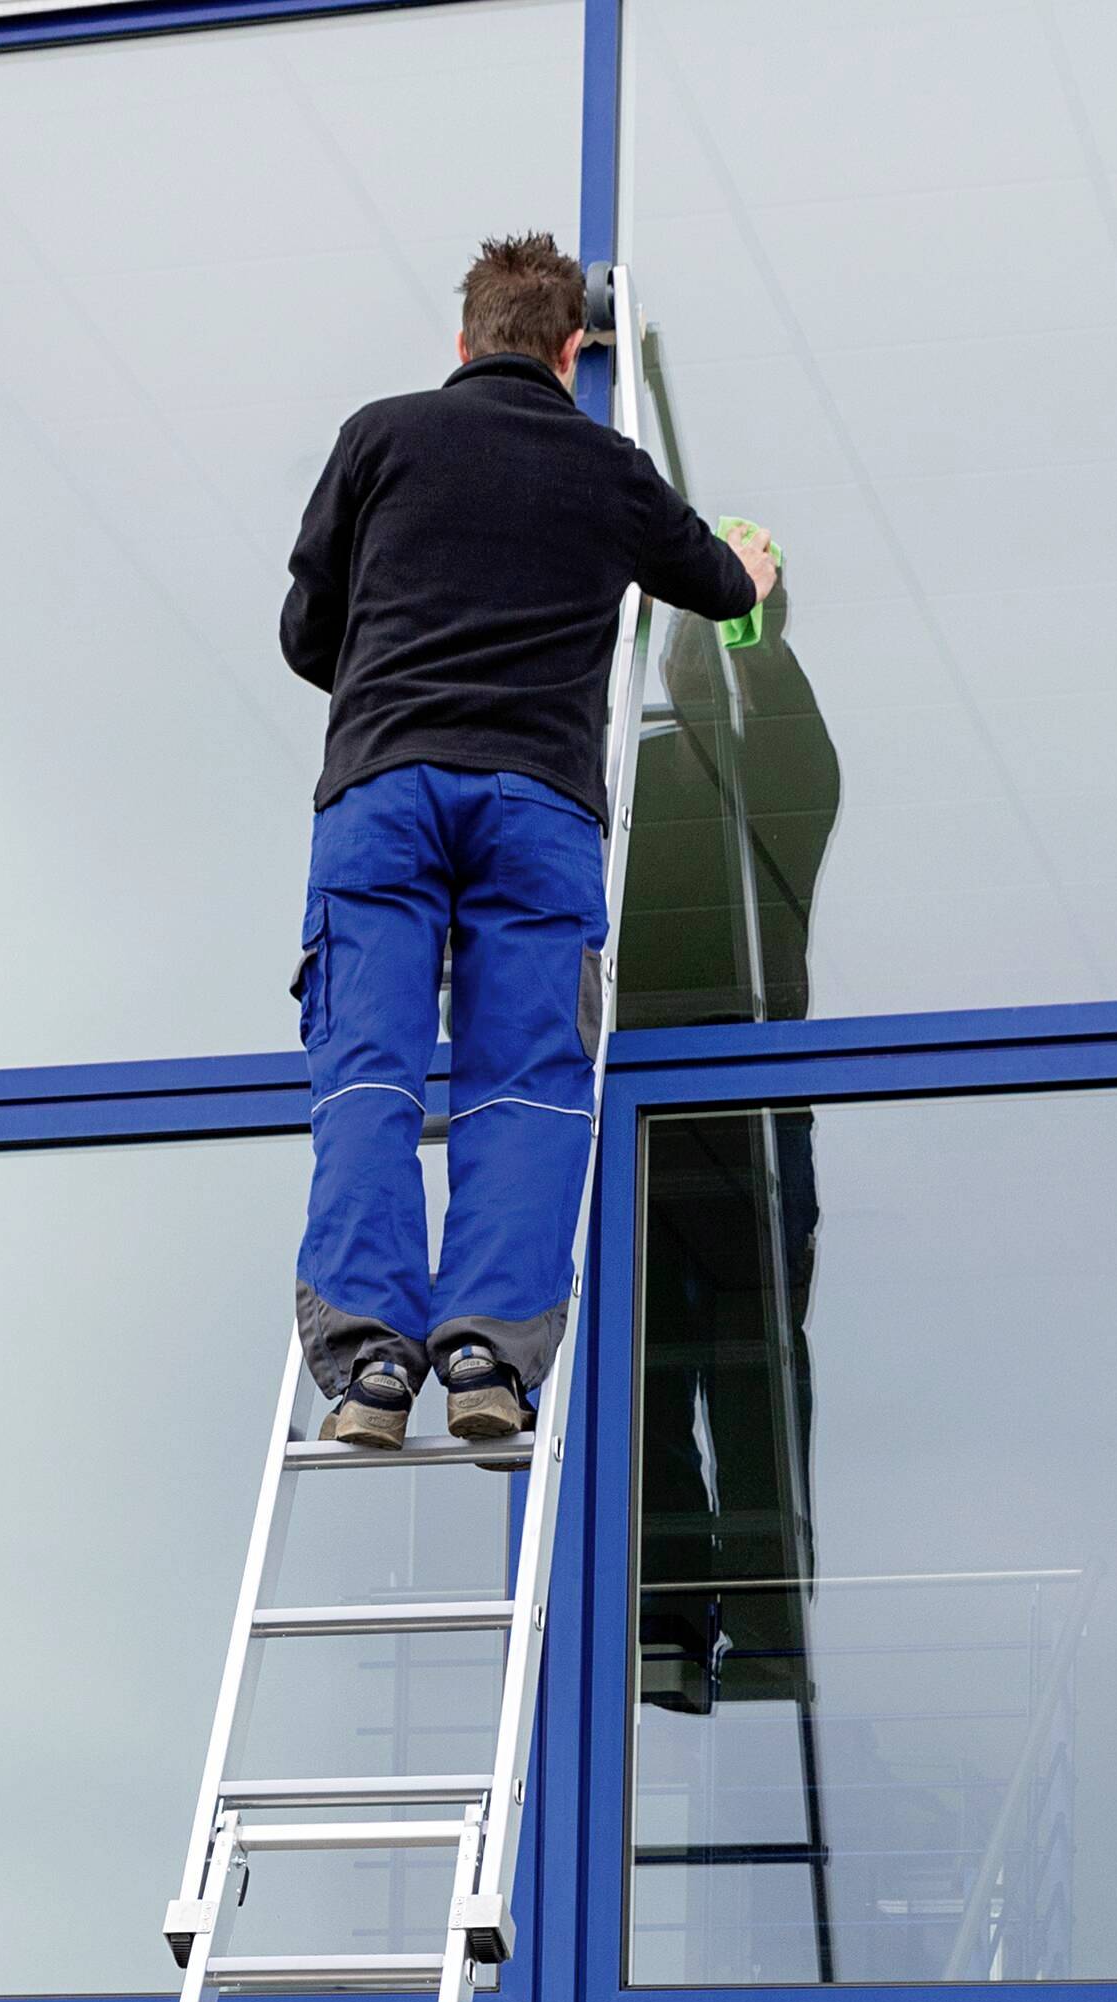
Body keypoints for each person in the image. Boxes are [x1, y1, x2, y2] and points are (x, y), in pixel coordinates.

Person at [278, 231, 779, 1449]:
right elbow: (716, 582)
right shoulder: (605, 468)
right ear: (569, 353)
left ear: (461, 343)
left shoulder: (381, 437)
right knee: (527, 1088)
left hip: (385, 794)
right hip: (537, 809)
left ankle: (371, 1373)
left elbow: (306, 634)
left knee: (372, 1075)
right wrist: (755, 567)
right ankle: (487, 1364)